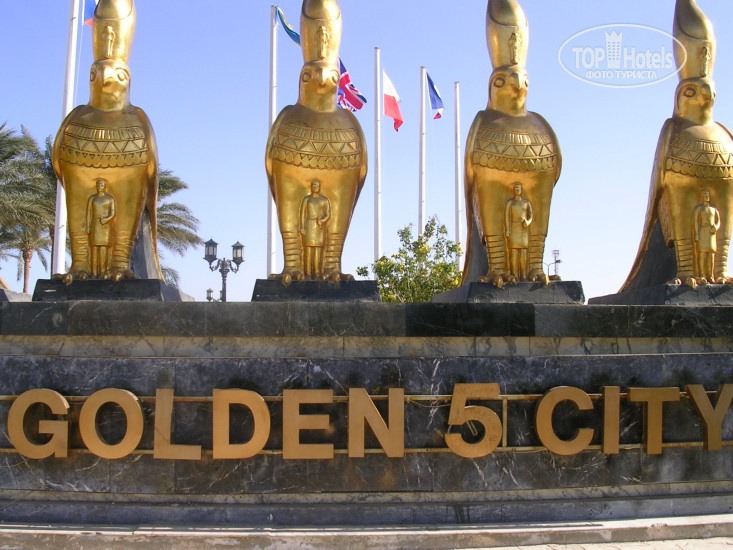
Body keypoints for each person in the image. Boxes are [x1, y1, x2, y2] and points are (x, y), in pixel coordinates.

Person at [299, 181, 331, 279]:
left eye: (317, 185)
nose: (316, 187)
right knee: (308, 249)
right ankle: (307, 273)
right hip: (309, 225)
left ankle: (317, 273)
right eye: (314, 185)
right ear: (311, 187)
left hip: (319, 227)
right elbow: (302, 214)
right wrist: (302, 227)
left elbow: (328, 214)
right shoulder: (307, 199)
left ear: (319, 187)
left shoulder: (324, 200)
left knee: (318, 250)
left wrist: (322, 220)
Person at [86, 179, 116, 278]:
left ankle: (103, 272)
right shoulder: (92, 198)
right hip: (95, 224)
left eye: (101, 185)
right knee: (94, 248)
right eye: (98, 185)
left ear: (105, 186)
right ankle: (93, 272)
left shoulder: (109, 199)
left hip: (105, 226)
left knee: (103, 248)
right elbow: (89, 213)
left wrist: (106, 219)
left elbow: (113, 213)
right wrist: (88, 226)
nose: (99, 186)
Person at [504, 182, 533, 281]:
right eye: (516, 188)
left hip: (523, 229)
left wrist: (528, 222)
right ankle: (514, 275)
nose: (517, 190)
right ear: (513, 190)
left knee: (523, 253)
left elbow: (530, 215)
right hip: (513, 228)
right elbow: (506, 217)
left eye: (519, 188)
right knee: (513, 253)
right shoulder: (510, 202)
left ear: (521, 190)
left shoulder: (526, 202)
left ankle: (524, 275)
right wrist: (507, 229)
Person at [692, 188, 720, 282]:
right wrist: (696, 233)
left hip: (711, 233)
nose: (706, 196)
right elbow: (695, 221)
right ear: (702, 197)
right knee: (702, 253)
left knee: (711, 254)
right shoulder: (698, 209)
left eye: (707, 195)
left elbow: (718, 221)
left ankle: (710, 275)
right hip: (702, 231)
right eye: (704, 195)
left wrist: (716, 227)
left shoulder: (714, 209)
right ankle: (702, 274)